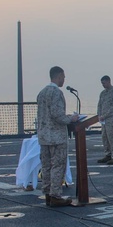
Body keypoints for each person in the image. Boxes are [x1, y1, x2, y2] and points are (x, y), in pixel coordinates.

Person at [36, 66, 80, 206]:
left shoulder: (42, 93)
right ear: (59, 76)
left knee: (46, 166)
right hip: (56, 136)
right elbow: (57, 115)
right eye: (63, 77)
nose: (64, 79)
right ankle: (55, 195)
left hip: (44, 136)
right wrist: (71, 119)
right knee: (58, 165)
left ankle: (47, 193)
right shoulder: (56, 92)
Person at [96, 75, 113, 165]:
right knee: (104, 137)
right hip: (103, 120)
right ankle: (108, 154)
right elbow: (99, 105)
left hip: (110, 119)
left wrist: (104, 116)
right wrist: (99, 115)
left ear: (109, 81)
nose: (103, 85)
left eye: (104, 83)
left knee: (112, 137)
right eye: (102, 83)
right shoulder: (102, 93)